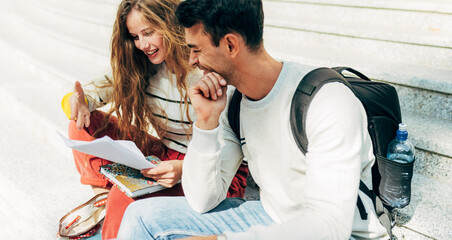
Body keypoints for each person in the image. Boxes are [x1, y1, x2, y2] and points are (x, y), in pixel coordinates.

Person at [116, 0, 392, 239]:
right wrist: (206, 122)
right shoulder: (234, 103)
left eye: (197, 49)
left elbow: (330, 228)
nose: (191, 61)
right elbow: (202, 201)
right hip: (272, 216)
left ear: (230, 45)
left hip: (341, 233)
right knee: (141, 217)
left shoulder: (326, 100)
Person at [60, 0, 248, 239]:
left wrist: (186, 168)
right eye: (135, 36)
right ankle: (104, 197)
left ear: (170, 25)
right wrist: (78, 102)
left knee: (123, 196)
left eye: (148, 33)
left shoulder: (206, 69)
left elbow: (230, 149)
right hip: (165, 154)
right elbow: (91, 91)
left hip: (213, 169)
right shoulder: (142, 66)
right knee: (82, 124)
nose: (142, 45)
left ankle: (116, 206)